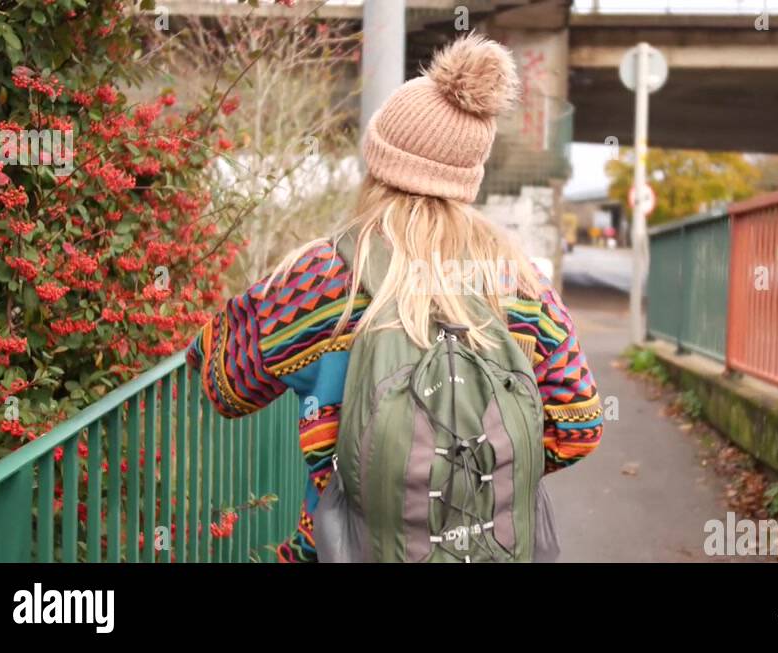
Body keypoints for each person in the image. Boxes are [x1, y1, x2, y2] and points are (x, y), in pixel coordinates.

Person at [187, 33, 603, 562]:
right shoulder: (521, 285)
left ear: (377, 162)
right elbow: (579, 426)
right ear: (468, 177)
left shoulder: (317, 277)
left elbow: (222, 382)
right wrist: (472, 478)